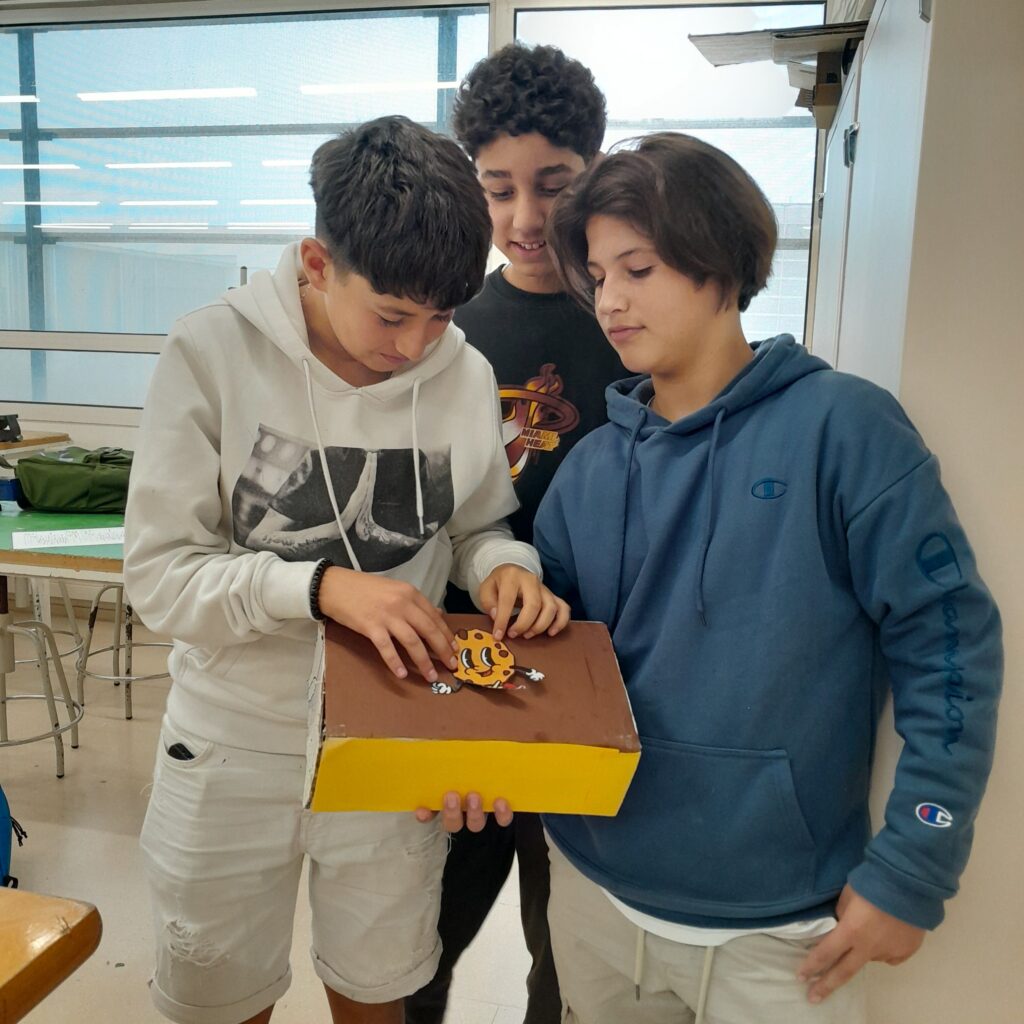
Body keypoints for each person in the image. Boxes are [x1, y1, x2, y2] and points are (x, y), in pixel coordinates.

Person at [532, 132, 1003, 1024]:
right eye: (597, 276)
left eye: (639, 268)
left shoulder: (845, 429)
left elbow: (950, 649)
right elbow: (545, 665)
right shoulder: (590, 467)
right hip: (594, 897)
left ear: (719, 262)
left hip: (780, 933)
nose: (611, 300)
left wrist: (916, 864)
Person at [124, 115, 569, 1024]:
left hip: (393, 739)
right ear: (317, 263)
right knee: (215, 997)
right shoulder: (212, 352)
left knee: (378, 990)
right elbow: (162, 579)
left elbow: (478, 524)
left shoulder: (462, 373)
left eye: (441, 317)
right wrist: (322, 589)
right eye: (394, 315)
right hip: (230, 743)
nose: (416, 347)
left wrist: (502, 567)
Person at [405, 44, 623, 1024]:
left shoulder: (630, 324)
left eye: (554, 185)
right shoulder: (445, 335)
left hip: (599, 672)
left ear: (595, 171)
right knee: (420, 943)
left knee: (567, 955)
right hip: (465, 670)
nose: (525, 218)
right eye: (499, 189)